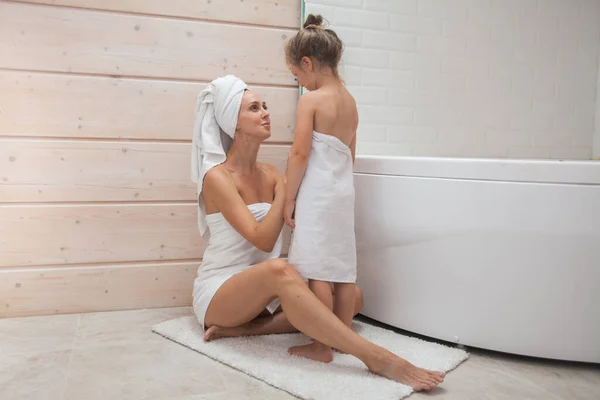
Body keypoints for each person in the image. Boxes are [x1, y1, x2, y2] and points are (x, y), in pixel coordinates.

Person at [190, 75, 444, 391]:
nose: (265, 112)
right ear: (233, 124)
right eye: (254, 108)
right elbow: (263, 238)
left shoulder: (270, 173)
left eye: (265, 106)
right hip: (220, 291)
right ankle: (374, 356)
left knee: (352, 298)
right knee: (280, 269)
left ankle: (247, 331)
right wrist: (286, 189)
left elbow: (303, 208)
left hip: (264, 294)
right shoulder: (217, 177)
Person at [283, 14, 359, 363]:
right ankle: (343, 339)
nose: (299, 82)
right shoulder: (351, 102)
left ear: (308, 63)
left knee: (317, 271)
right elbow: (350, 156)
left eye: (297, 75)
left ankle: (322, 345)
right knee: (342, 271)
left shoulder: (311, 101)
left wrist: (289, 197)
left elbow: (299, 154)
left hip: (318, 194)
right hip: (342, 193)